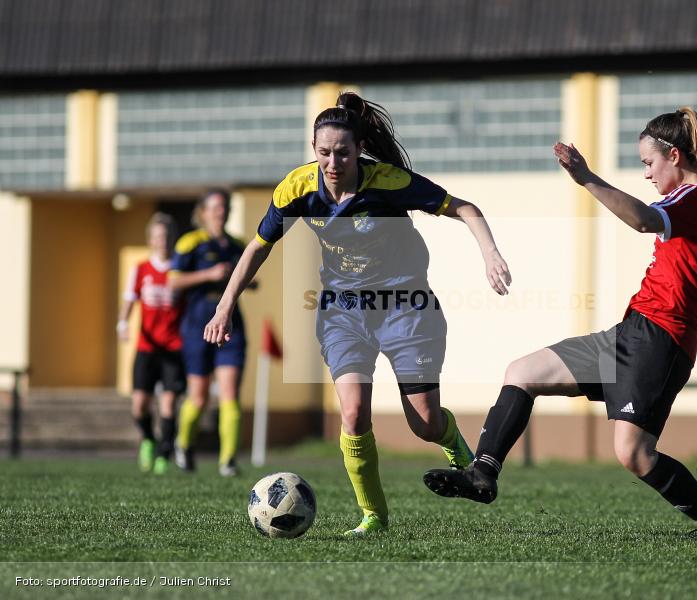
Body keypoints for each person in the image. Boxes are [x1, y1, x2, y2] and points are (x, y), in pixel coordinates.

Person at [423, 107, 697, 542]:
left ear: (674, 155)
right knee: (522, 373)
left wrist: (586, 178)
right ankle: (482, 473)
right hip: (631, 333)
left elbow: (642, 220)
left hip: (662, 345)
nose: (647, 174)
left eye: (648, 163)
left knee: (634, 454)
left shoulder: (695, 202)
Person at [203, 91, 512, 536]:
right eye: (324, 152)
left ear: (359, 149)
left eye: (343, 153)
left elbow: (463, 207)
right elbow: (258, 246)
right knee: (353, 412)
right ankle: (373, 517)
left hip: (406, 307)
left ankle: (453, 443)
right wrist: (225, 305)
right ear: (313, 150)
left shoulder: (388, 182)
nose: (333, 163)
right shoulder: (297, 188)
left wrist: (490, 254)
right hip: (343, 311)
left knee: (424, 422)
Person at [169, 189, 249, 477]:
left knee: (230, 394)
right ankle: (183, 444)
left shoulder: (237, 245)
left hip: (231, 324)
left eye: (224, 207)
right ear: (202, 212)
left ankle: (227, 460)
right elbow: (173, 282)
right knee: (199, 396)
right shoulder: (191, 242)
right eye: (214, 207)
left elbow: (250, 279)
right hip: (198, 324)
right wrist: (209, 274)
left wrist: (242, 281)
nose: (220, 212)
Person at [117, 212, 185, 474]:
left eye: (167, 236)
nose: (162, 241)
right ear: (150, 239)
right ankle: (148, 439)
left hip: (174, 347)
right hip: (147, 348)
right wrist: (122, 324)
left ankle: (163, 455)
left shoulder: (180, 270)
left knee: (168, 404)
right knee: (139, 405)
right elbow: (129, 301)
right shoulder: (141, 269)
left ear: (172, 239)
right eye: (158, 236)